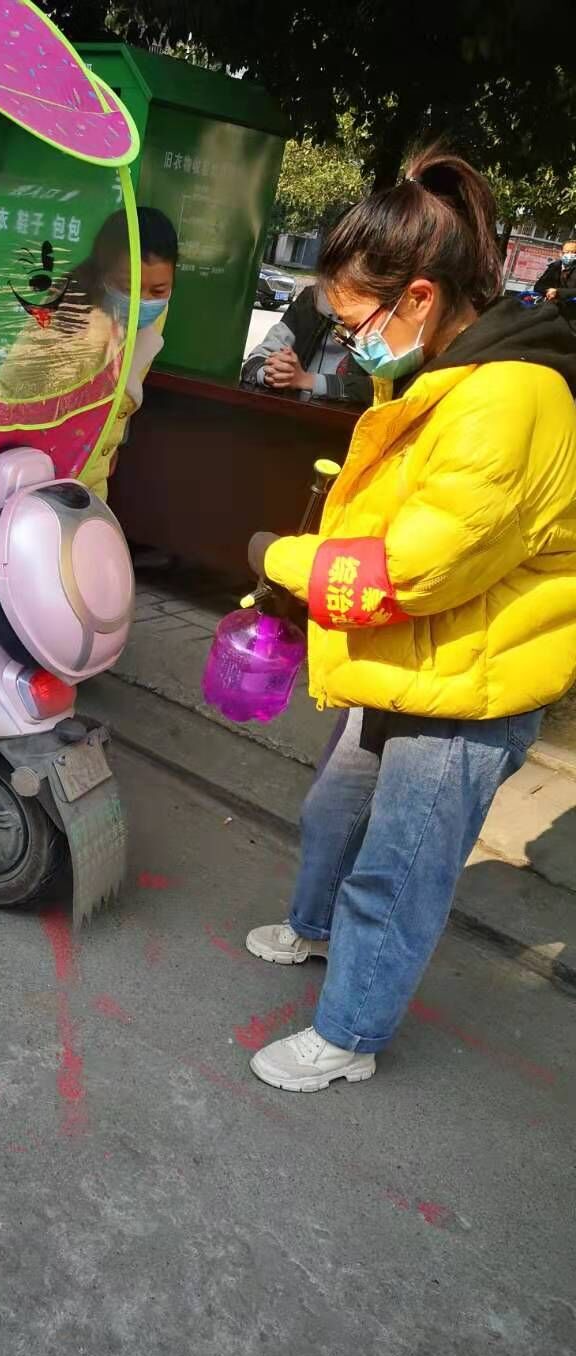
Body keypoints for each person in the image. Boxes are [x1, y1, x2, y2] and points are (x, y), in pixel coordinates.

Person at [241, 148, 576, 1092]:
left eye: (355, 324)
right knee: (335, 811)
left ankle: (349, 1035)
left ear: (419, 298)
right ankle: (316, 930)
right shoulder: (447, 374)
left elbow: (414, 570)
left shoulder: (508, 398)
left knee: (398, 873)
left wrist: (281, 560)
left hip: (468, 686)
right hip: (411, 662)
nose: (350, 345)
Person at [0, 207, 177, 502]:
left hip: (92, 478)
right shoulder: (65, 317)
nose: (142, 302)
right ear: (101, 274)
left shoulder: (155, 313)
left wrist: (111, 444)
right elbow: (15, 400)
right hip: (36, 478)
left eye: (158, 290)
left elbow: (125, 387)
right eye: (128, 287)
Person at [241, 283, 371, 406]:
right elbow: (255, 360)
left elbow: (378, 391)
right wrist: (272, 373)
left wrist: (308, 380)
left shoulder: (378, 316)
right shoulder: (310, 299)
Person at [533, 239, 576, 304]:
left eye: (573, 252)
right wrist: (549, 291)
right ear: (561, 253)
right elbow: (538, 286)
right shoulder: (554, 266)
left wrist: (558, 292)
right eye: (567, 252)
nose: (570, 255)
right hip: (550, 305)